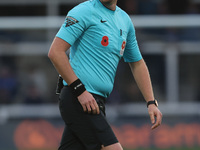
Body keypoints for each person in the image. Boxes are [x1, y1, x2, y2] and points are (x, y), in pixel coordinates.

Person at [48, 0, 162, 149]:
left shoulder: (124, 20)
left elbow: (137, 63)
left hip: (96, 102)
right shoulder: (84, 11)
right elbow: (55, 52)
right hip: (79, 98)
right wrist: (80, 90)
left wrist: (151, 102)